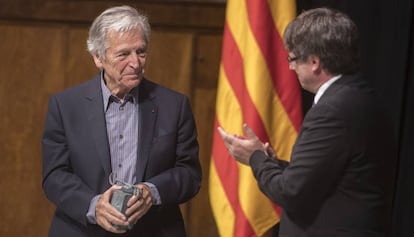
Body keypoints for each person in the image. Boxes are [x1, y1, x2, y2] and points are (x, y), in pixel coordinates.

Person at [218, 7, 396, 237]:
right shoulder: (360, 97)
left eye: (292, 59)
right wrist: (273, 163)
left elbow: (292, 192)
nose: (290, 67)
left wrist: (255, 158)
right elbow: (325, 178)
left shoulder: (333, 110)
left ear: (314, 62)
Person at [42, 5, 201, 237]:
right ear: (98, 57)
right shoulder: (65, 106)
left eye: (141, 52)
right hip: (82, 230)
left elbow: (190, 174)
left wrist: (152, 191)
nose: (136, 64)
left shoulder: (175, 105)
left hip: (155, 230)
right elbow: (54, 175)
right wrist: (94, 206)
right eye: (123, 54)